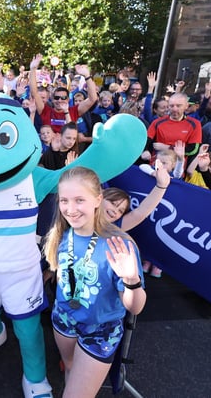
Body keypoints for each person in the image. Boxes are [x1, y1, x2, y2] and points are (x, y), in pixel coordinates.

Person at [43, 167, 146, 398]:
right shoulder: (61, 233)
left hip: (102, 329)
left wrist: (131, 280)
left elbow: (136, 307)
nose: (70, 209)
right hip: (64, 319)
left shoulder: (119, 244)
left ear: (98, 199)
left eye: (80, 200)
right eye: (64, 201)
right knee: (69, 368)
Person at [29, 54, 98, 133]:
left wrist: (87, 75)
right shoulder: (45, 111)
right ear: (52, 99)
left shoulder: (74, 111)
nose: (60, 100)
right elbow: (34, 92)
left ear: (68, 99)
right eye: (57, 98)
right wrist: (33, 69)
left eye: (63, 98)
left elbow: (93, 99)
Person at [141, 92, 202, 167]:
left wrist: (168, 147)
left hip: (177, 168)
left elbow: (193, 150)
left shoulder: (195, 124)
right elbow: (146, 141)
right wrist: (145, 151)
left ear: (186, 106)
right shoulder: (157, 122)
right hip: (156, 165)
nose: (174, 109)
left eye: (178, 106)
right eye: (171, 106)